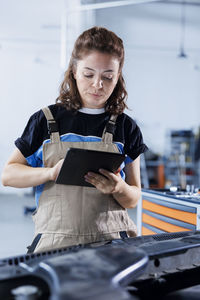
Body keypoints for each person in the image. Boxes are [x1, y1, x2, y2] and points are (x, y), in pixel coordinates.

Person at [1, 26, 148, 253]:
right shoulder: (45, 121)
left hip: (111, 247)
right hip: (54, 247)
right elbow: (8, 175)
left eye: (107, 77)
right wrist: (49, 173)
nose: (98, 85)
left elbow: (134, 198)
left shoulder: (126, 127)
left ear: (117, 76)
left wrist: (119, 188)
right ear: (74, 71)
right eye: (89, 74)